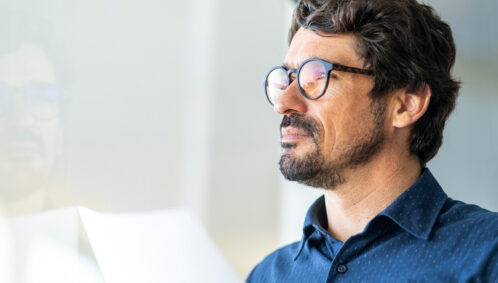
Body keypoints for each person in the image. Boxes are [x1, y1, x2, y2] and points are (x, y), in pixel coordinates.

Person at [247, 0, 497, 282]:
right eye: (287, 79)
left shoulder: (488, 254)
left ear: (406, 105)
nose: (283, 104)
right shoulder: (267, 275)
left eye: (315, 77)